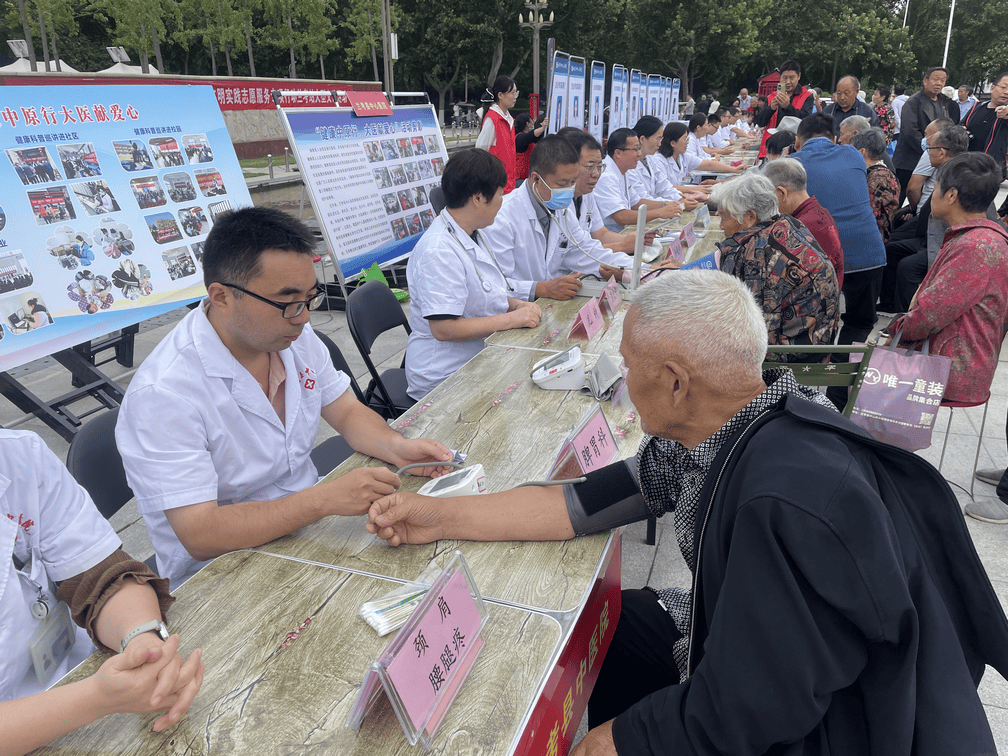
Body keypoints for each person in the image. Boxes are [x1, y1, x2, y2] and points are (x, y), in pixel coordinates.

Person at [365, 270, 1008, 756]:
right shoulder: (728, 423)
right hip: (755, 646)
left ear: (674, 380)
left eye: (630, 365)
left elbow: (754, 706)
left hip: (839, 724)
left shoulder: (784, 498)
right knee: (610, 620)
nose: (620, 377)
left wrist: (620, 741)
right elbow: (577, 504)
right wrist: (437, 515)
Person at [116, 207, 454, 589]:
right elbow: (201, 534)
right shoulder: (164, 394)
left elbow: (344, 411)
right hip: (225, 576)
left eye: (310, 297)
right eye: (287, 301)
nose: (304, 318)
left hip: (312, 531)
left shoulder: (292, 337)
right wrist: (321, 501)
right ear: (221, 296)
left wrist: (397, 447)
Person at [0, 429, 204, 755]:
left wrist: (142, 641)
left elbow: (100, 576)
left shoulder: (18, 457)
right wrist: (96, 698)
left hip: (78, 683)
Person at [404, 149, 542, 400]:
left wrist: (515, 305)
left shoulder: (473, 231)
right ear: (478, 197)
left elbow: (485, 289)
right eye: (501, 193)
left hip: (477, 355)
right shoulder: (438, 250)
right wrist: (512, 319)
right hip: (444, 375)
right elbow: (444, 328)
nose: (504, 199)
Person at [792, 113, 886, 407]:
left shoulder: (791, 165)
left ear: (798, 140)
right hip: (868, 254)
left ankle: (803, 390)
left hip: (817, 259)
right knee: (859, 322)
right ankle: (840, 391)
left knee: (809, 323)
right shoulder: (852, 153)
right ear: (835, 137)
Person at [484, 136, 647, 301]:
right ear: (536, 179)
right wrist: (541, 288)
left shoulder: (560, 211)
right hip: (513, 312)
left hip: (544, 305)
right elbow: (494, 284)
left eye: (573, 182)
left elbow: (589, 251)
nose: (569, 190)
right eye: (562, 184)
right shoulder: (502, 217)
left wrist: (645, 270)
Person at [712, 172, 839, 352]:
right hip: (820, 337)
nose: (721, 226)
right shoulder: (786, 222)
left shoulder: (757, 254)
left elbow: (754, 327)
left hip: (793, 354)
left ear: (750, 217)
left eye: (724, 218)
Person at [560, 128, 661, 255]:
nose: (596, 174)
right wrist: (621, 246)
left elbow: (601, 234)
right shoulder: (558, 201)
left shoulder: (586, 193)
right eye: (590, 167)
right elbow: (573, 253)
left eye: (599, 167)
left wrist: (638, 239)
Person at [762, 157, 844, 288]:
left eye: (769, 197)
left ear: (781, 192)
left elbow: (776, 277)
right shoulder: (818, 213)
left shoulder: (799, 228)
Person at [592, 128, 682, 232]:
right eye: (635, 149)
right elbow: (621, 217)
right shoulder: (606, 176)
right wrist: (659, 212)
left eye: (639, 149)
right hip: (611, 236)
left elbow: (636, 202)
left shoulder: (622, 171)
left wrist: (666, 204)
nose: (639, 154)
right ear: (618, 153)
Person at [892, 67, 950, 201]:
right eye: (935, 79)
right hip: (909, 159)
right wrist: (930, 151)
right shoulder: (913, 102)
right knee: (898, 199)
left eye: (943, 80)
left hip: (934, 160)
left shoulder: (945, 102)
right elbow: (910, 133)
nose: (939, 83)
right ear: (925, 80)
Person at [655, 122, 738, 195]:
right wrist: (694, 189)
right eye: (684, 139)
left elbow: (709, 165)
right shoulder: (659, 161)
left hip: (681, 194)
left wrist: (734, 169)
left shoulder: (683, 156)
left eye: (687, 139)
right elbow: (665, 187)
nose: (687, 143)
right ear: (672, 143)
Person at [756, 60, 815, 158]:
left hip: (795, 148)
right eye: (784, 78)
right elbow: (760, 122)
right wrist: (771, 108)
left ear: (799, 76)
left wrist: (788, 107)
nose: (788, 82)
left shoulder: (807, 96)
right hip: (770, 147)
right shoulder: (772, 97)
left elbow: (806, 121)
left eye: (792, 78)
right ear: (780, 78)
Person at [627, 116, 689, 207]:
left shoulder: (650, 159)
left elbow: (663, 185)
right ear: (642, 139)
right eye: (658, 139)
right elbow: (641, 199)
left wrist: (681, 198)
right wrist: (675, 203)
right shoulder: (629, 165)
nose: (659, 144)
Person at [850, 128, 900, 243]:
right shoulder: (878, 172)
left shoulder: (879, 178)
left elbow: (869, 214)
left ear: (862, 152)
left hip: (874, 239)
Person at [475, 76, 520, 193]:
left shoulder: (509, 119)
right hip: (496, 186)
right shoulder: (493, 119)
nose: (515, 97)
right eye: (513, 93)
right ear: (500, 95)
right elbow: (480, 152)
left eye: (516, 93)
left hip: (509, 184)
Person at [961, 71, 1008, 180]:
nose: (1006, 92)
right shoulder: (977, 107)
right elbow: (962, 124)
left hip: (989, 170)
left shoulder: (1005, 113)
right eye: (1004, 87)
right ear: (992, 88)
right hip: (966, 165)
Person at [514, 113, 548, 183]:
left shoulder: (525, 138)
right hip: (520, 179)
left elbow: (535, 136)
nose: (533, 123)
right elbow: (531, 136)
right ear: (527, 124)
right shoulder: (519, 138)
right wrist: (543, 128)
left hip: (528, 177)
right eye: (532, 121)